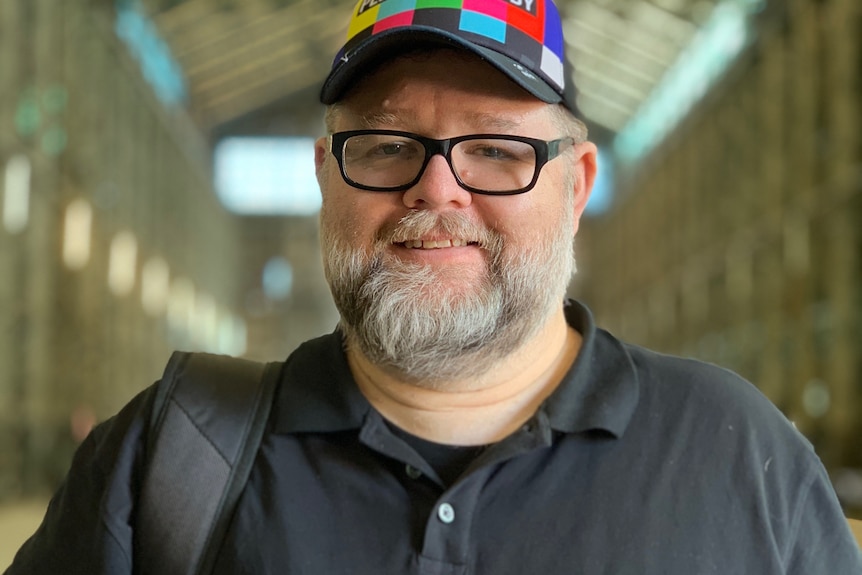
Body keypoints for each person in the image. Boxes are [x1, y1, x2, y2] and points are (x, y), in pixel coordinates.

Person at [7, 0, 861, 573]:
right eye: (385, 146)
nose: (437, 189)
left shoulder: (740, 460)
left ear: (577, 187)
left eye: (496, 149)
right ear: (324, 176)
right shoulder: (164, 462)